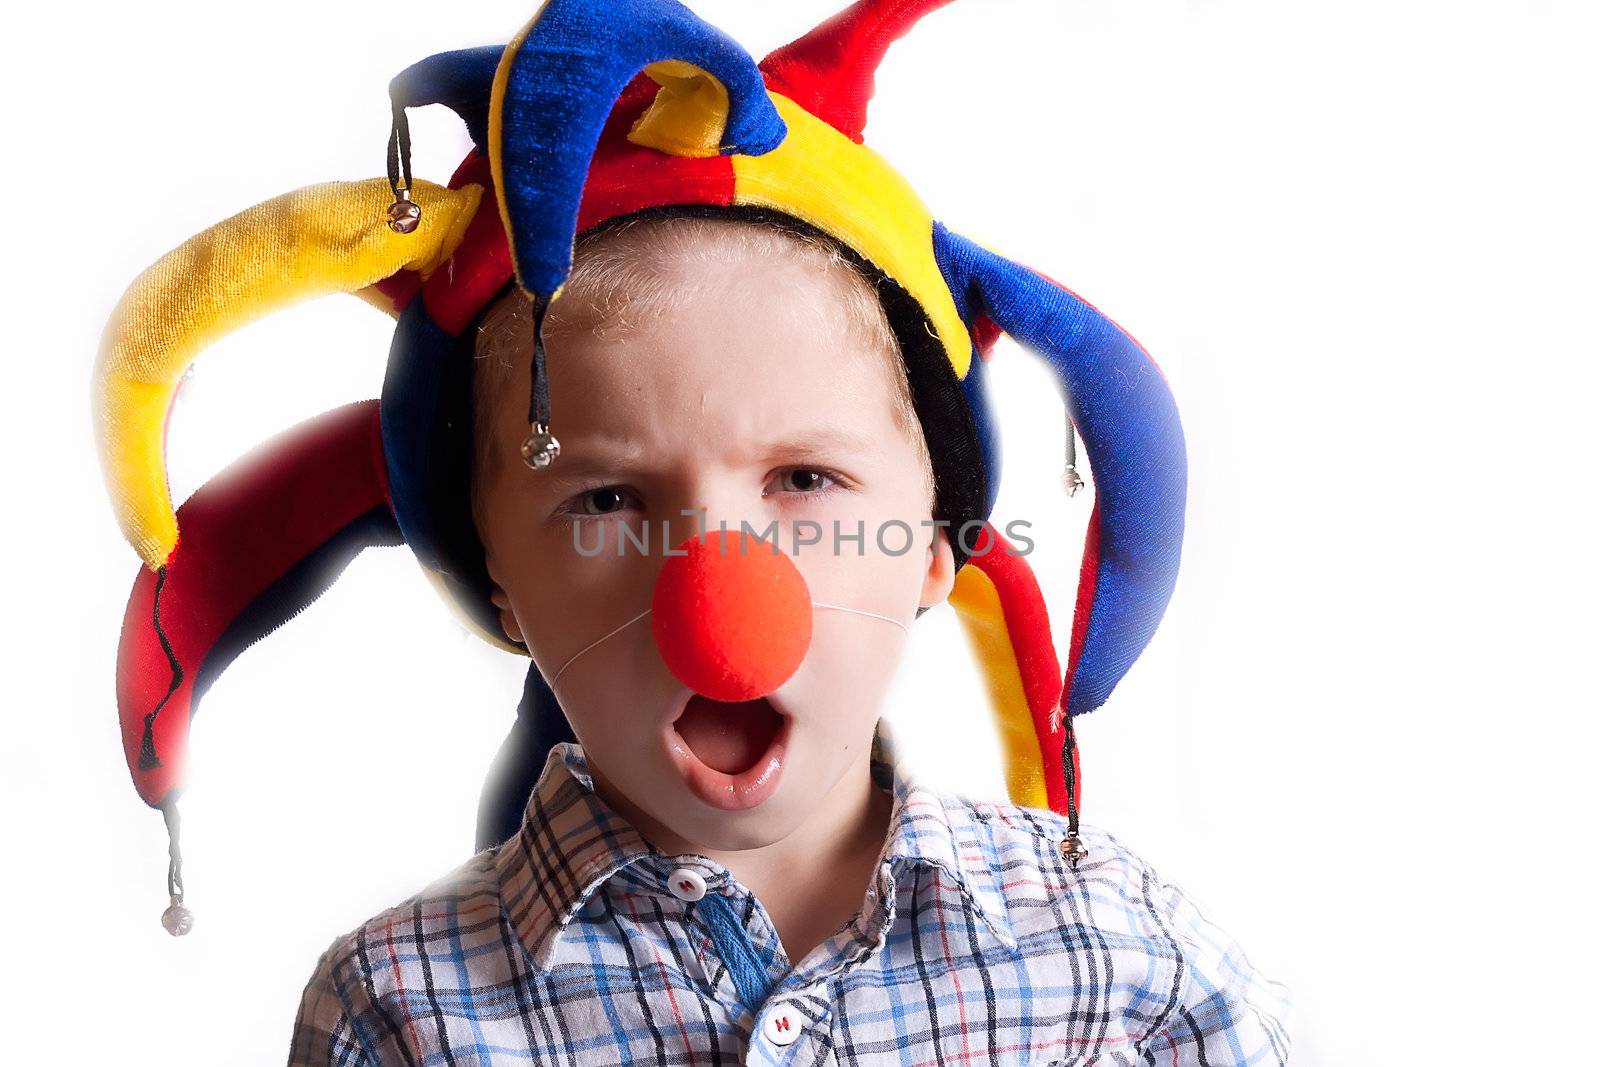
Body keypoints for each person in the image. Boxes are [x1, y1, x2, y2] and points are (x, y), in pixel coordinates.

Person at [89, 1, 1293, 1062]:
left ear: (933, 544)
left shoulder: (1124, 964)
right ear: (495, 581)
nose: (715, 591)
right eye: (606, 498)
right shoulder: (398, 1014)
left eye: (807, 478)